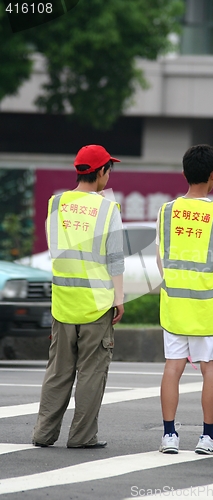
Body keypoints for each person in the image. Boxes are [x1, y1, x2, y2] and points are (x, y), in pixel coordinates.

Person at [32, 144, 124, 449]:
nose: (109, 174)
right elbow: (115, 258)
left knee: (58, 371)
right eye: (109, 169)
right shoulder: (108, 208)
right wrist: (119, 298)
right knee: (91, 372)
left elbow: (55, 248)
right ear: (99, 172)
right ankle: (82, 436)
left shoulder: (55, 203)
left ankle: (43, 433)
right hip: (96, 303)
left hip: (63, 302)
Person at [156, 144, 213, 455]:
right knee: (211, 369)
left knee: (172, 367)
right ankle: (208, 438)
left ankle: (169, 436)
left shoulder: (166, 212)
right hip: (210, 308)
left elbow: (160, 259)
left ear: (184, 173)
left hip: (175, 305)